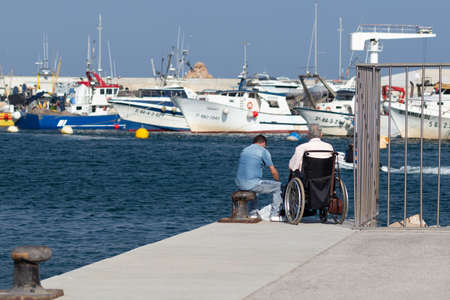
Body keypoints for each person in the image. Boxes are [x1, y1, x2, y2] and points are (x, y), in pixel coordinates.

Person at [235, 135, 284, 222]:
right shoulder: (263, 151)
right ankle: (275, 215)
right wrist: (278, 181)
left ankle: (253, 213)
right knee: (278, 187)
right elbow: (273, 171)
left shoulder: (244, 150)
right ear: (263, 143)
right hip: (252, 184)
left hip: (239, 183)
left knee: (255, 185)